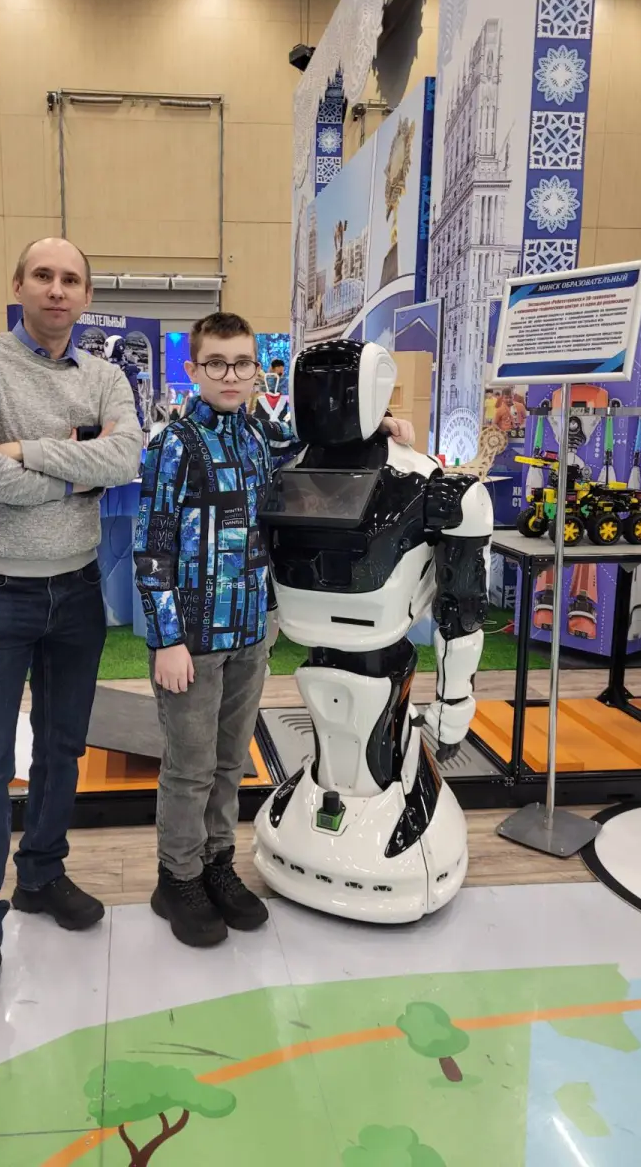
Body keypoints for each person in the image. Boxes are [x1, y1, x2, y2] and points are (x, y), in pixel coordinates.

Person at [133, 313, 412, 949]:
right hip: (193, 641)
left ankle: (216, 863)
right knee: (190, 767)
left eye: (242, 363)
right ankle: (177, 877)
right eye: (217, 363)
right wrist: (167, 639)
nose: (230, 375)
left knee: (231, 760)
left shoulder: (260, 433)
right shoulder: (174, 446)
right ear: (193, 369)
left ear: (258, 371)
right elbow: (150, 549)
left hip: (251, 632)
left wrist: (380, 425)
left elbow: (312, 438)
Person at [0, 237, 143, 1032]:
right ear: (18, 284)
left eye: (71, 279)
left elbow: (125, 457)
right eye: (43, 276)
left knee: (62, 748)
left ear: (86, 296)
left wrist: (27, 453)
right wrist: (73, 470)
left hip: (77, 591)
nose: (57, 289)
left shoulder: (105, 376)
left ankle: (43, 874)